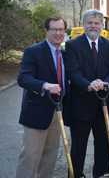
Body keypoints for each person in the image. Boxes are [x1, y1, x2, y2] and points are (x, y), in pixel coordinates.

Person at [66, 9, 109, 178]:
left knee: (104, 145)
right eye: (90, 22)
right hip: (80, 104)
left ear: (102, 25)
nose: (93, 26)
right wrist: (89, 85)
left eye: (97, 23)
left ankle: (101, 174)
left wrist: (106, 83)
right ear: (84, 24)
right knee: (78, 147)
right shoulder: (73, 45)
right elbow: (73, 72)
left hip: (104, 104)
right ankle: (76, 175)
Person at [16, 16, 70, 178]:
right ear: (46, 31)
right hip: (36, 114)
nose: (58, 33)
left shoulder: (65, 54)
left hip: (57, 113)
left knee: (50, 157)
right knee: (30, 158)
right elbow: (23, 78)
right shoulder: (33, 51)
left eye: (61, 30)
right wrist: (45, 86)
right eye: (54, 29)